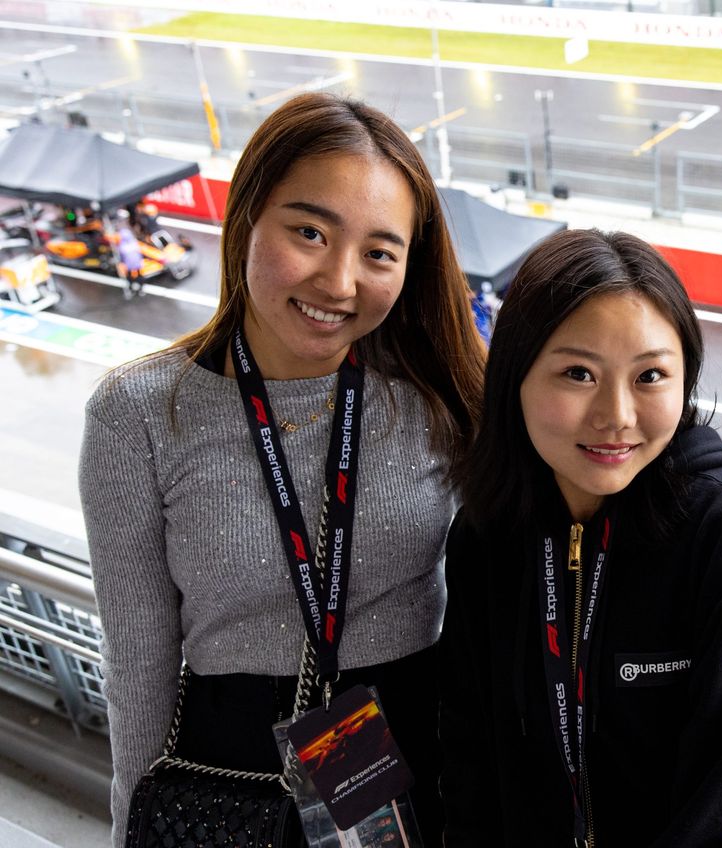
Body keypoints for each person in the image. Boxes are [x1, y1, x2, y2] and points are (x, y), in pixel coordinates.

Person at [79, 92, 484, 848]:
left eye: (379, 253)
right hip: (226, 779)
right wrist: (132, 825)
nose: (338, 282)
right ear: (246, 219)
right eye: (309, 232)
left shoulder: (443, 395)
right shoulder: (136, 413)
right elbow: (137, 662)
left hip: (413, 768)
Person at [439, 229, 722, 846]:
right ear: (516, 376)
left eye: (650, 377)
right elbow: (469, 757)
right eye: (579, 373)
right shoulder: (487, 533)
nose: (616, 415)